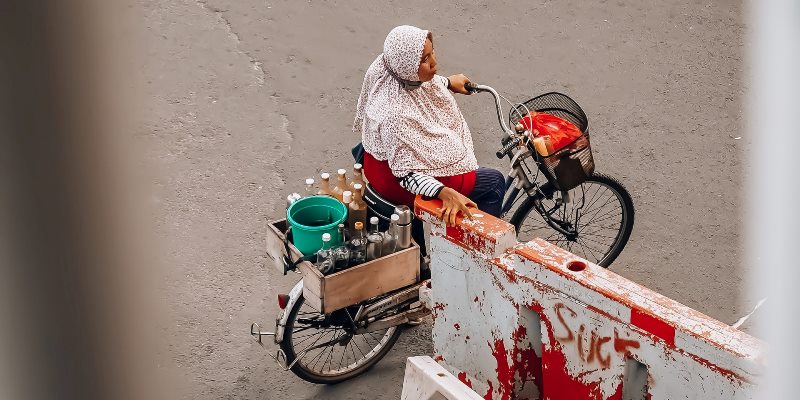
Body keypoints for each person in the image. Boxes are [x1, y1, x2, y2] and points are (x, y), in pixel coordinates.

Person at [353, 25, 505, 228]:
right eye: (424, 60)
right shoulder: (395, 116)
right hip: (398, 181)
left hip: (377, 166)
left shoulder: (388, 68)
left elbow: (421, 82)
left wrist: (448, 82)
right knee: (494, 181)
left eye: (432, 52)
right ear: (406, 66)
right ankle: (478, 252)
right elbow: (406, 174)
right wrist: (444, 192)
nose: (434, 63)